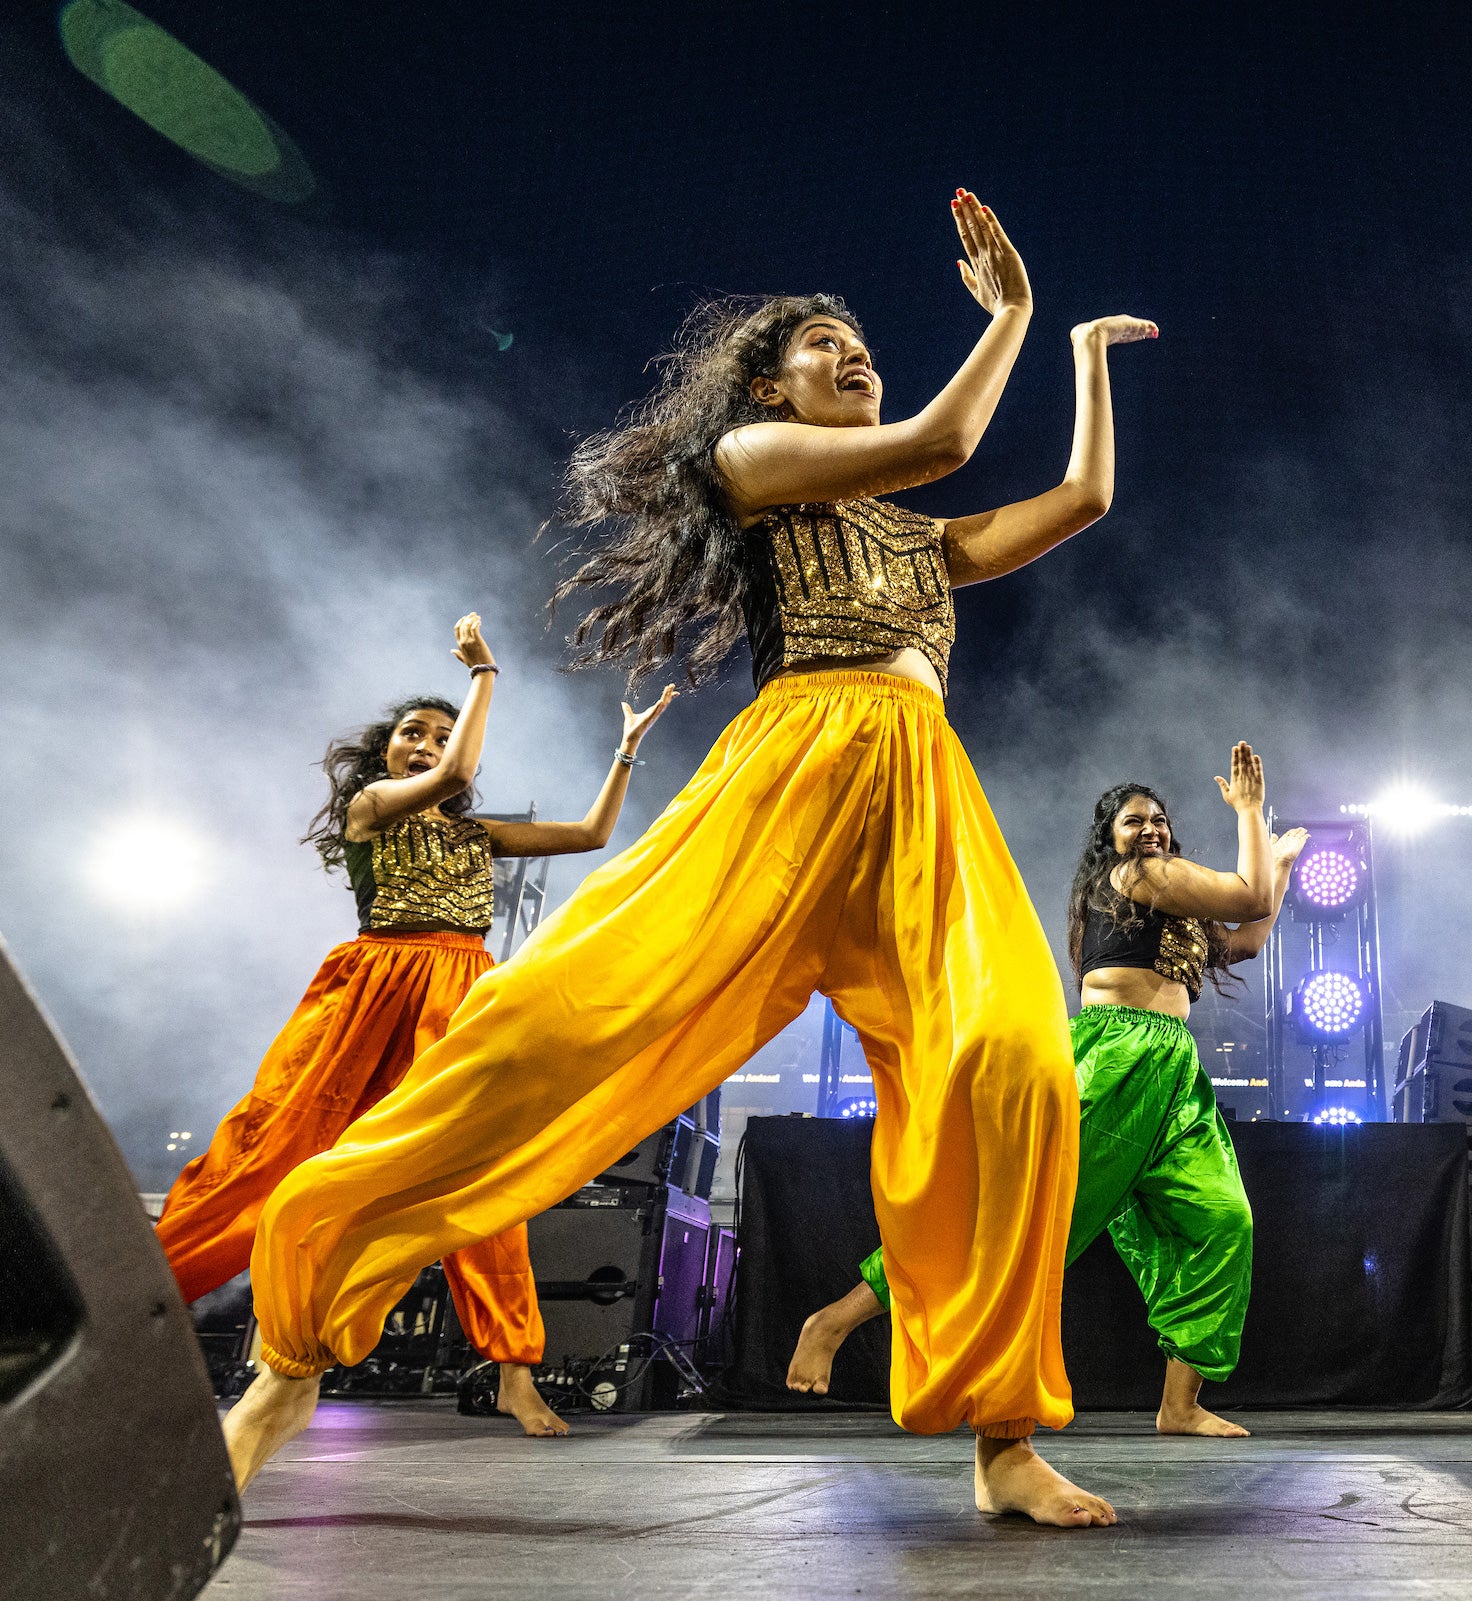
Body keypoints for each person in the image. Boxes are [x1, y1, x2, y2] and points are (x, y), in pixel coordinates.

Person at [222, 191, 1154, 1529]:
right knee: (548, 1029)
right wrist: (1004, 313)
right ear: (769, 381)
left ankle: (1003, 1437)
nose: (857, 357)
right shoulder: (753, 460)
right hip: (787, 780)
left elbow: (1085, 496)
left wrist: (1076, 357)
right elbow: (946, 437)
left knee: (1014, 1068)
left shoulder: (914, 539)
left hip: (923, 796)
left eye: (863, 347)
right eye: (829, 345)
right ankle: (292, 1350)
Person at [154, 614, 673, 1439]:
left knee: (479, 1172)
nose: (427, 744)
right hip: (375, 988)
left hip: (462, 992)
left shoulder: (472, 831)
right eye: (411, 733)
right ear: (387, 753)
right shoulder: (374, 806)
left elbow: (590, 834)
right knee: (273, 1148)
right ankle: (134, 1296)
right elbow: (461, 765)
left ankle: (513, 1367)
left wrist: (626, 751)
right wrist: (483, 673)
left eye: (439, 734)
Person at [787, 746, 1306, 1438]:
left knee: (1223, 1221)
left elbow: (1243, 940)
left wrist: (1286, 867)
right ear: (1111, 840)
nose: (1150, 829)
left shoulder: (1171, 904)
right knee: (1019, 1222)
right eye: (1133, 821)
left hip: (1175, 1076)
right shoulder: (1137, 877)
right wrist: (1248, 814)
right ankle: (834, 1319)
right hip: (1113, 1059)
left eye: (1158, 820)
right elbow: (1251, 895)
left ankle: (1178, 1404)